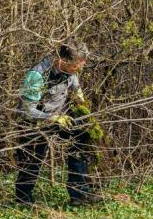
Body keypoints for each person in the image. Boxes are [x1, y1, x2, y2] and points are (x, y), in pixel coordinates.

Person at [14, 41, 102, 207]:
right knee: (33, 158)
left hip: (59, 116)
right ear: (63, 61)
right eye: (75, 66)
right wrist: (51, 118)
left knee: (80, 136)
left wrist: (82, 106)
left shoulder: (71, 71)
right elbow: (26, 111)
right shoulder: (38, 76)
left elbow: (76, 89)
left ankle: (79, 193)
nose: (77, 70)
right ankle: (23, 199)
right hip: (33, 122)